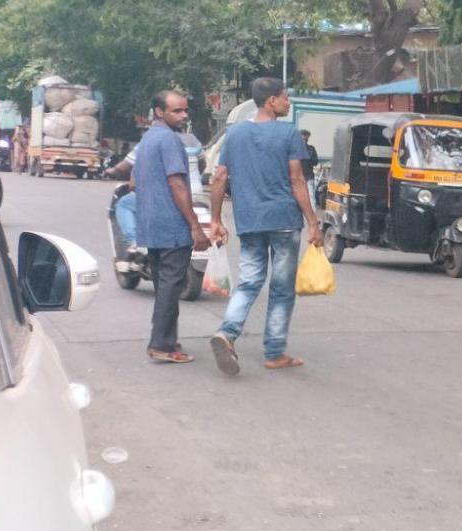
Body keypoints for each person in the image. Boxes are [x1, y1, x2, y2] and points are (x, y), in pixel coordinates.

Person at [207, 77, 323, 375]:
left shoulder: (235, 134)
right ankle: (274, 352)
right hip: (283, 219)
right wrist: (313, 221)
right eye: (285, 98)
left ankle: (227, 332)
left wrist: (216, 219)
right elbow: (297, 180)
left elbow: (219, 178)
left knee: (249, 281)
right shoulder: (288, 134)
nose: (288, 103)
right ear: (271, 101)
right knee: (282, 288)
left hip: (249, 221)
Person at [133, 90, 210, 364]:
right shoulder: (169, 140)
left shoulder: (147, 139)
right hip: (171, 225)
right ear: (159, 111)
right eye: (177, 111)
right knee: (169, 287)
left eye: (185, 110)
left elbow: (134, 182)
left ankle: (166, 339)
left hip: (151, 224)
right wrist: (195, 225)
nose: (184, 115)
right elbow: (177, 184)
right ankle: (162, 344)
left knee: (164, 285)